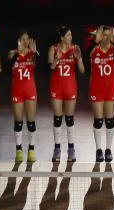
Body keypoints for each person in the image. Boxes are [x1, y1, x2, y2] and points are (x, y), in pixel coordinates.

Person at [48, 26, 84, 163]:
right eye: (68, 35)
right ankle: (57, 149)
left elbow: (81, 70)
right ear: (62, 38)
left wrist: (79, 58)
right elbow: (50, 68)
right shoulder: (53, 48)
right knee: (57, 118)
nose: (70, 37)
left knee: (69, 119)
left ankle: (71, 149)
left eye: (71, 35)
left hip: (70, 87)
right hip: (56, 88)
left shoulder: (75, 48)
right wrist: (57, 60)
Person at [89, 26, 114, 163]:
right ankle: (98, 150)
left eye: (108, 36)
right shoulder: (94, 50)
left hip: (111, 89)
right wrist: (94, 42)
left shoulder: (113, 50)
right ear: (99, 36)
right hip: (97, 89)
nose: (106, 38)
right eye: (104, 35)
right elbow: (85, 56)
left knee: (109, 120)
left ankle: (108, 149)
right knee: (98, 120)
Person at [8, 31, 39, 163]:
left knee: (31, 122)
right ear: (18, 40)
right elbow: (8, 65)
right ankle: (19, 150)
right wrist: (18, 53)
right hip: (17, 92)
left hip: (30, 90)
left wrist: (35, 52)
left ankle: (31, 150)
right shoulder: (12, 53)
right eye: (23, 39)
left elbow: (43, 66)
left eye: (27, 39)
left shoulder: (32, 54)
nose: (26, 41)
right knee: (18, 121)